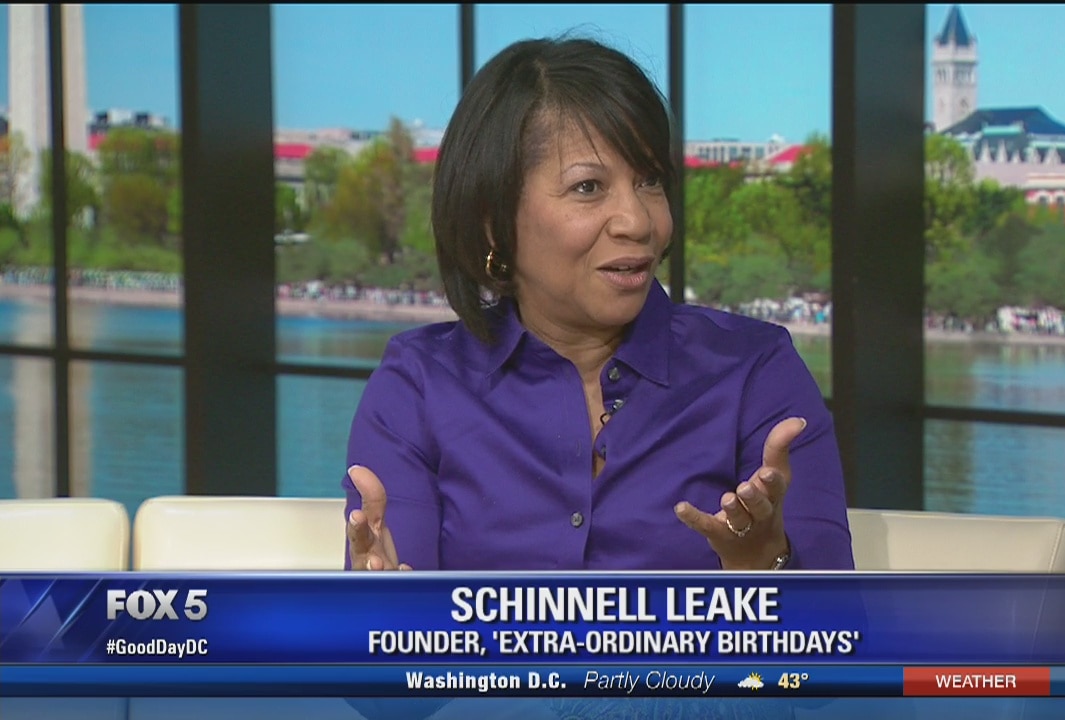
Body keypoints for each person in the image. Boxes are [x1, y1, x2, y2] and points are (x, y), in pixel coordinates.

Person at [343, 35, 853, 574]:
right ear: (493, 218)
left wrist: (769, 570)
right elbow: (398, 617)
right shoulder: (418, 388)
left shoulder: (755, 373)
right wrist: (382, 612)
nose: (638, 221)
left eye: (650, 181)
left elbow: (834, 624)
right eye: (588, 187)